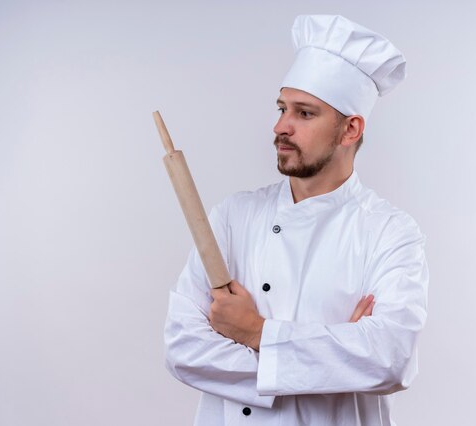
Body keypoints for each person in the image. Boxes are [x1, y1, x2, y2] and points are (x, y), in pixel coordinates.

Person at [164, 14, 428, 426]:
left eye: (304, 114)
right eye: (282, 108)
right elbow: (183, 348)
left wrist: (253, 332)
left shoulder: (389, 232)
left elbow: (390, 359)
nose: (280, 127)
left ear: (350, 129)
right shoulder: (233, 217)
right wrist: (338, 356)